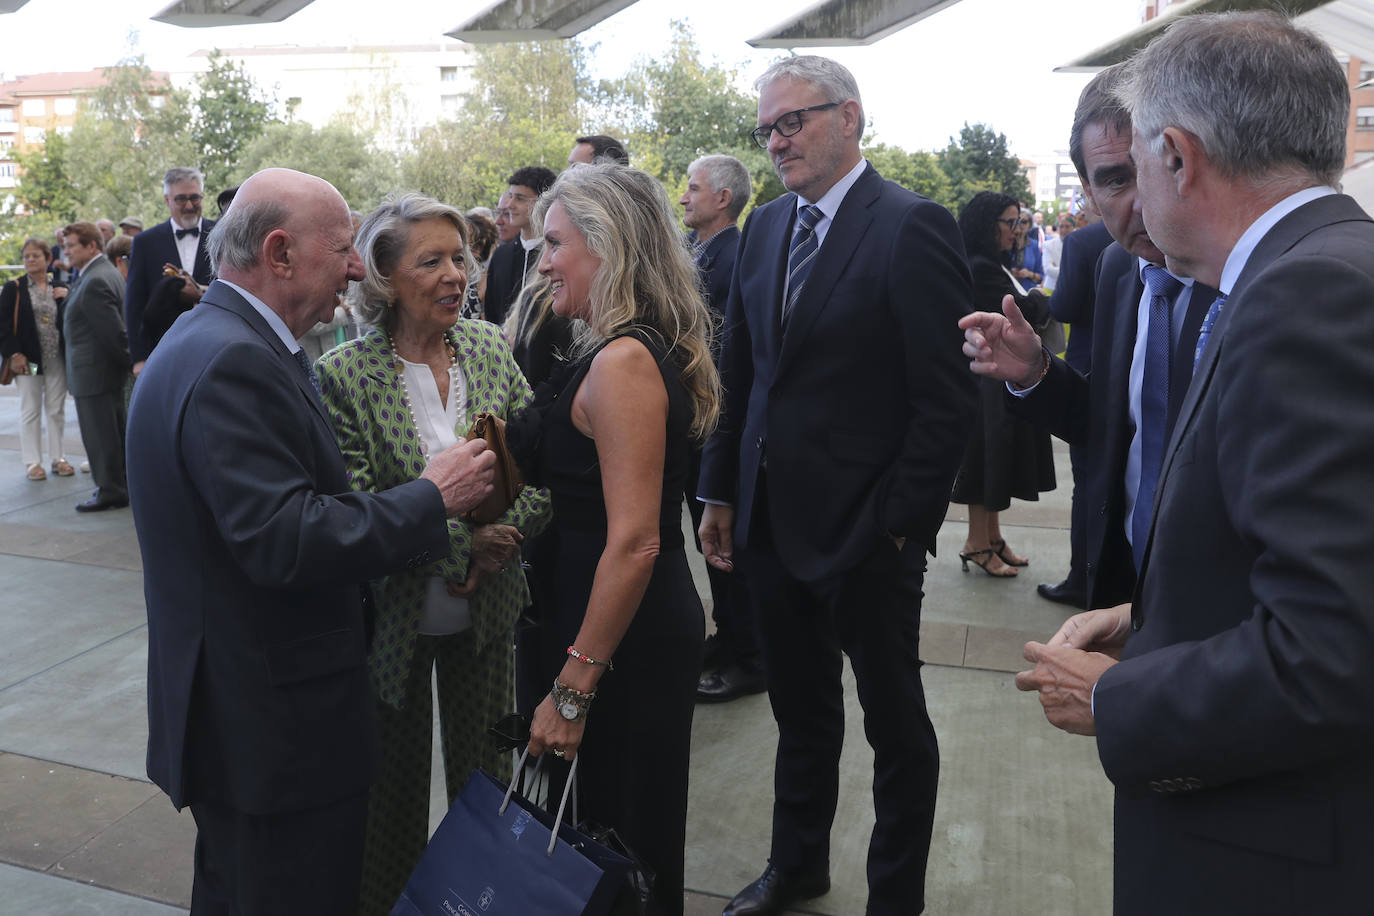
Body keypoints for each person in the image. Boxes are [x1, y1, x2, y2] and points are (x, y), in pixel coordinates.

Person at [1007, 13, 1374, 913]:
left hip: (1275, 850)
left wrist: (1123, 700)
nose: (1123, 198)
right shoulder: (1325, 264)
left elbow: (1334, 651)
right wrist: (1156, 617)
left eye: (1133, 161)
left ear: (1176, 154)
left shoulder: (1302, 295)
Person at [127, 168, 499, 915]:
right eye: (342, 249)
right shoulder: (234, 359)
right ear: (280, 253)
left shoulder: (217, 340)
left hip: (251, 718)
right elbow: (285, 539)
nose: (358, 267)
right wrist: (433, 497)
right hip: (275, 731)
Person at [697, 56, 975, 916]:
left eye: (793, 121)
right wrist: (720, 491)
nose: (777, 141)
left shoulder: (909, 224)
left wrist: (899, 524)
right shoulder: (768, 229)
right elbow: (740, 375)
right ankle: (798, 865)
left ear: (849, 117)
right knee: (800, 711)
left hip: (867, 535)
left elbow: (946, 397)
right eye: (767, 128)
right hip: (772, 524)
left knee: (895, 727)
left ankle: (895, 896)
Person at [315, 192, 552, 915]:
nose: (456, 275)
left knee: (488, 785)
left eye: (460, 259)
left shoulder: (485, 346)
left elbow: (540, 463)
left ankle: (490, 903)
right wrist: (461, 543)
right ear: (385, 276)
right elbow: (355, 506)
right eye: (432, 262)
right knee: (389, 799)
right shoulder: (343, 375)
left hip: (489, 615)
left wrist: (504, 540)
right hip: (393, 630)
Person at [511, 163, 718, 916]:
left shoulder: (625, 361)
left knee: (625, 846)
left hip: (622, 639)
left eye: (555, 243)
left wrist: (572, 689)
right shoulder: (619, 347)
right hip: (611, 628)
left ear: (608, 247)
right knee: (607, 838)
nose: (542, 263)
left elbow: (634, 543)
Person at [963, 64, 1218, 613]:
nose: (1143, 201)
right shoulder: (1117, 267)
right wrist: (1037, 375)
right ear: (1087, 191)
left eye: (1160, 167)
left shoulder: (1250, 275)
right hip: (1127, 589)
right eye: (1115, 179)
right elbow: (1113, 427)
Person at [677, 153, 764, 703]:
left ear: (723, 198)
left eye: (693, 187)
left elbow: (726, 352)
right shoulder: (699, 252)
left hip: (717, 421)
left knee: (727, 545)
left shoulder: (735, 257)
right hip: (699, 424)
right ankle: (731, 638)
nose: (683, 196)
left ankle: (750, 657)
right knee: (710, 541)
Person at [949, 191, 1054, 578]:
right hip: (985, 382)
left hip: (996, 378)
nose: (1017, 230)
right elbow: (1029, 310)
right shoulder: (982, 267)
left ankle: (992, 538)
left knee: (998, 460)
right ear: (987, 225)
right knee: (985, 460)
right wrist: (1038, 300)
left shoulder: (990, 263)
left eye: (1019, 222)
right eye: (1010, 222)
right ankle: (977, 542)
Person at [61, 221, 130, 512]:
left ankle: (111, 491)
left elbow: (113, 334)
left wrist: (129, 363)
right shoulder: (101, 273)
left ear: (91, 245)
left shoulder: (95, 280)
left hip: (95, 374)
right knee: (112, 435)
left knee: (101, 437)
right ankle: (118, 486)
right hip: (101, 373)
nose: (66, 252)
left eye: (71, 246)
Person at [124, 167, 217, 376]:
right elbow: (134, 303)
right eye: (181, 199)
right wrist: (139, 357)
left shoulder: (221, 234)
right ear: (167, 200)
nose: (189, 205)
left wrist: (200, 293)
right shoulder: (145, 242)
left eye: (195, 198)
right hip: (162, 348)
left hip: (214, 346)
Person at [1, 238, 72, 481]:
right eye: (26, 256)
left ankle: (58, 458)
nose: (30, 260)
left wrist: (67, 296)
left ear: (47, 259)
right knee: (30, 408)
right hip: (27, 359)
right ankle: (32, 462)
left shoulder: (60, 285)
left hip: (57, 357)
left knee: (56, 409)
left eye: (36, 256)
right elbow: (3, 325)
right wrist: (14, 353)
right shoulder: (14, 288)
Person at [483, 166, 556, 326]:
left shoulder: (555, 256)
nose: (510, 204)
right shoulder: (501, 255)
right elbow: (491, 311)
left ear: (543, 202)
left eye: (520, 198)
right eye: (510, 196)